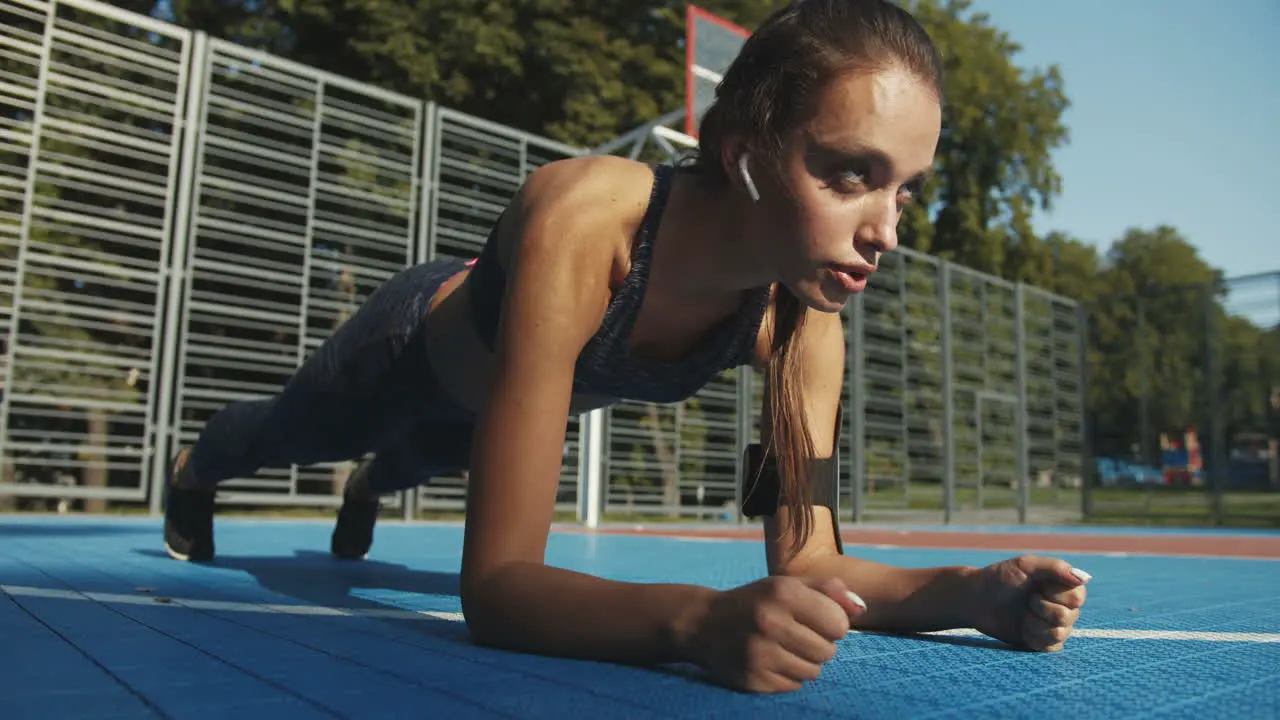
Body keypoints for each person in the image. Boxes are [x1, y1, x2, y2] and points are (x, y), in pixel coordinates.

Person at [162, 0, 1091, 694]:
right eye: (851, 173)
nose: (886, 228)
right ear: (744, 152)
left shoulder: (802, 321)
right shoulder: (585, 219)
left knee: (418, 460)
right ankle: (197, 465)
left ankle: (377, 481)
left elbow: (808, 560)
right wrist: (697, 621)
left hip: (494, 408)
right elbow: (496, 590)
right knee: (290, 434)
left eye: (905, 191)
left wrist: (969, 593)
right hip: (408, 349)